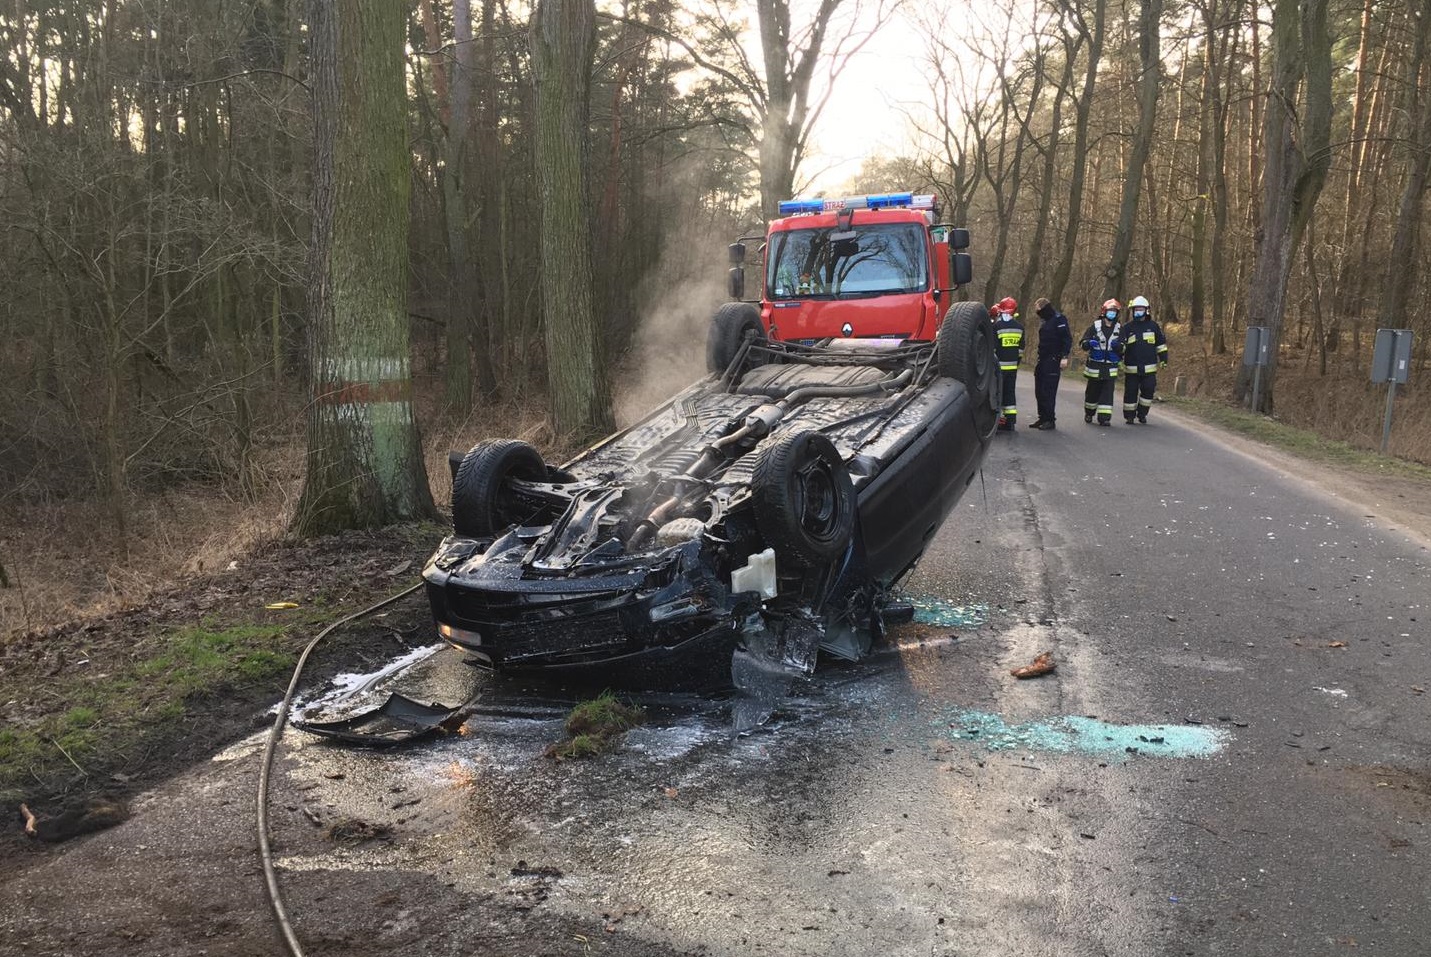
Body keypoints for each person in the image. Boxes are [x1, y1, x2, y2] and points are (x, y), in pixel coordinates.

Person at [1119, 295, 1168, 424]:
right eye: (1135, 309)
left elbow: (1161, 344)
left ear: (1146, 310)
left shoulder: (1153, 326)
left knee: (1148, 390)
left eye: (1140, 309)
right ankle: (1129, 415)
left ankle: (1142, 413)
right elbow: (1121, 346)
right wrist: (1119, 359)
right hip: (1132, 368)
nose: (1137, 312)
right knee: (1130, 393)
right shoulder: (1127, 328)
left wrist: (1164, 359)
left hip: (1149, 368)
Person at [1028, 297, 1072, 430]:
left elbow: (1066, 339)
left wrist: (1064, 356)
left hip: (1053, 360)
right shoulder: (1046, 321)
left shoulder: (1059, 320)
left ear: (1044, 308)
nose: (1037, 313)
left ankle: (1050, 420)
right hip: (1042, 359)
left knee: (1048, 391)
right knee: (1039, 390)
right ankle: (1042, 417)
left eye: (1038, 310)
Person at [1080, 299, 1123, 426]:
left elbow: (1124, 347)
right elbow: (1083, 343)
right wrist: (1088, 343)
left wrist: (1119, 347)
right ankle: (1089, 412)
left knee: (1107, 394)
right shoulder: (1095, 326)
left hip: (1110, 367)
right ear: (1104, 311)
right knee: (1092, 392)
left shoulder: (1120, 329)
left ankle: (1104, 418)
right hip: (1095, 367)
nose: (1112, 314)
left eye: (1114, 312)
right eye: (1110, 311)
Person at [991, 296, 1024, 432]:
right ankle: (1010, 421)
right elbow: (1021, 348)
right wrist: (1017, 362)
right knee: (1010, 392)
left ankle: (996, 419)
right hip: (1013, 366)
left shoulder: (997, 326)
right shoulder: (1019, 327)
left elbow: (992, 348)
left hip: (999, 367)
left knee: (997, 392)